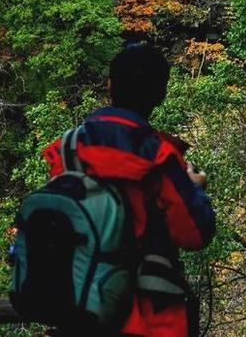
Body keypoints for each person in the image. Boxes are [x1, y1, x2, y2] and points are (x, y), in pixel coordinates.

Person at [42, 43, 216, 337]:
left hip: (79, 310)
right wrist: (196, 189)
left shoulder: (67, 149)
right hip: (148, 318)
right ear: (161, 94)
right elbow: (195, 233)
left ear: (109, 85)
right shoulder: (157, 155)